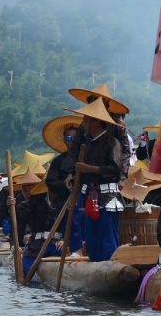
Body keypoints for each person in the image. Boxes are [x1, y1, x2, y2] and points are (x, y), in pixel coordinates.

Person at [60, 97, 124, 262]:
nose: (83, 123)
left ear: (96, 121)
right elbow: (73, 155)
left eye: (86, 119)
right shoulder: (85, 143)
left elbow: (115, 169)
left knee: (107, 237)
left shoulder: (113, 141)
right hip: (89, 195)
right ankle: (93, 264)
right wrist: (71, 174)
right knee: (91, 237)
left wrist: (89, 169)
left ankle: (110, 266)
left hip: (107, 196)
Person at [42, 114, 85, 253]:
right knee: (67, 223)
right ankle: (66, 247)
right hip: (64, 201)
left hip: (85, 198)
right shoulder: (58, 161)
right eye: (68, 138)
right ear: (64, 140)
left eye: (74, 137)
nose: (71, 141)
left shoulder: (87, 157)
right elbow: (50, 181)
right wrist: (63, 185)